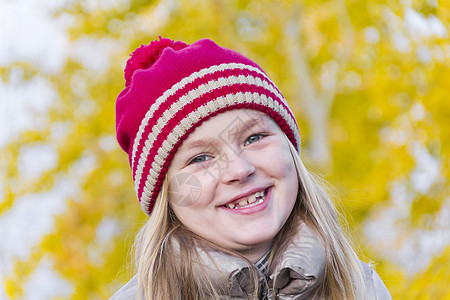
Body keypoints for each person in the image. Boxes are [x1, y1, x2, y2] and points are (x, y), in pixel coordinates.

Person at [111, 37, 391, 299]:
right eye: (200, 158)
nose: (239, 169)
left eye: (254, 138)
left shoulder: (360, 287)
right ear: (167, 194)